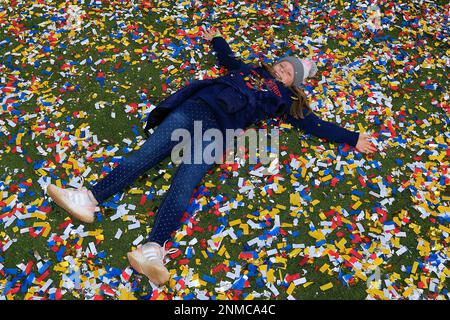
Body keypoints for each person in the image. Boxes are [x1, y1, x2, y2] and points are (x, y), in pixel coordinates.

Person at [45, 26, 377, 286]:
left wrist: (353, 137)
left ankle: (153, 251)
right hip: (196, 109)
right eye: (281, 64)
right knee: (147, 154)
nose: (282, 70)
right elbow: (227, 58)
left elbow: (315, 124)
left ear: (295, 84)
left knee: (186, 180)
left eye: (289, 72)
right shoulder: (250, 69)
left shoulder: (283, 101)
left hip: (220, 132)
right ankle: (88, 198)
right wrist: (217, 38)